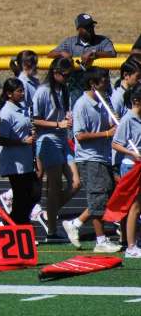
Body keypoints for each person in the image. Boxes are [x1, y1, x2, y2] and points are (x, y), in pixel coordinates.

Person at [62, 67, 121, 253]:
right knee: (98, 198)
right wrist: (106, 133)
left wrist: (112, 124)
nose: (107, 84)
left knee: (105, 196)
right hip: (89, 158)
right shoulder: (82, 105)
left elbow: (104, 126)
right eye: (103, 81)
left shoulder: (103, 102)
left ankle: (75, 224)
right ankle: (100, 240)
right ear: (93, 83)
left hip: (103, 156)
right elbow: (79, 135)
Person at [33, 57, 81, 240]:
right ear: (56, 73)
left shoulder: (64, 89)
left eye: (71, 75)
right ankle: (51, 230)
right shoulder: (43, 92)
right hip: (48, 141)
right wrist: (58, 124)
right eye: (67, 75)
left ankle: (47, 215)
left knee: (76, 183)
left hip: (62, 140)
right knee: (55, 187)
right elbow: (34, 120)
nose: (69, 79)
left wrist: (67, 118)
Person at [0, 50, 43, 217]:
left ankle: (17, 224)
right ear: (9, 94)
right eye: (19, 91)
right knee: (20, 197)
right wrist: (22, 141)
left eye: (23, 91)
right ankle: (14, 226)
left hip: (25, 161)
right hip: (14, 163)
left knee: (34, 194)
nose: (23, 94)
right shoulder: (6, 112)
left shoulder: (22, 109)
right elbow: (2, 140)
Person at [111, 83, 141, 257]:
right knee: (134, 207)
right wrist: (132, 153)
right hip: (131, 166)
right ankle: (130, 247)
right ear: (136, 101)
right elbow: (116, 143)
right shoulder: (128, 119)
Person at [48, 14, 117, 66]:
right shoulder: (70, 42)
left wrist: (93, 53)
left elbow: (112, 54)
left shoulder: (103, 40)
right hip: (75, 83)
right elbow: (50, 54)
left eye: (91, 26)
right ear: (78, 29)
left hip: (98, 82)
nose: (90, 29)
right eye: (86, 27)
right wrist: (61, 53)